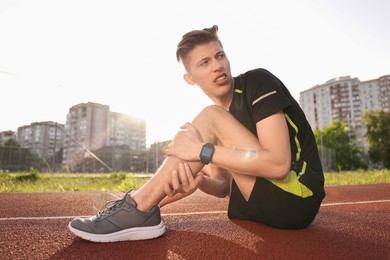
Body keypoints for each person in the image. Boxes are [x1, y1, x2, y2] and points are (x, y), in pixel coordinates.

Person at [68, 25, 325, 242]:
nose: (217, 66)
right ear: (190, 78)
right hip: (263, 205)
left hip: (298, 196)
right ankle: (139, 209)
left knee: (204, 127)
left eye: (220, 55)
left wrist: (202, 151)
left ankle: (136, 207)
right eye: (205, 62)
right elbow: (224, 186)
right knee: (199, 131)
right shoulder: (218, 119)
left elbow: (279, 165)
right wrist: (199, 179)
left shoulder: (258, 82)